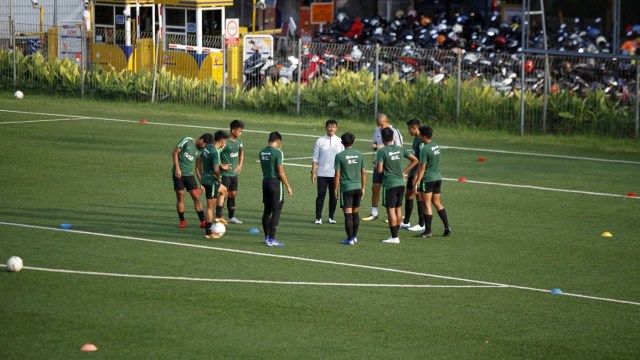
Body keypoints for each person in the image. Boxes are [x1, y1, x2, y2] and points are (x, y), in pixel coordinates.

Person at [376, 128, 418, 244]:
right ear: (393, 137)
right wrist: (404, 172)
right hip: (401, 183)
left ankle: (394, 237)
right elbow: (415, 160)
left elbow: (379, 170)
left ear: (383, 139)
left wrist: (377, 164)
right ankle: (395, 233)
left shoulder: (382, 151)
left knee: (391, 210)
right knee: (398, 208)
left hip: (389, 184)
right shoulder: (400, 149)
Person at [363, 113, 403, 221]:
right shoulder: (376, 131)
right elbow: (375, 144)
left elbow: (400, 147)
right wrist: (375, 147)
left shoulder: (394, 131)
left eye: (381, 124)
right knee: (375, 187)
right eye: (378, 125)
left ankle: (393, 214)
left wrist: (384, 147)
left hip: (390, 164)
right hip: (379, 162)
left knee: (390, 189)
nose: (379, 127)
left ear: (387, 121)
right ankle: (374, 213)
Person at [413, 126, 452, 238]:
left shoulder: (425, 149)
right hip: (438, 178)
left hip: (428, 179)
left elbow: (422, 168)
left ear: (424, 137)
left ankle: (428, 231)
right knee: (437, 202)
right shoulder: (435, 145)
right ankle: (447, 227)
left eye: (420, 135)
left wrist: (417, 182)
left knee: (427, 204)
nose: (419, 136)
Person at [259, 131, 293, 247]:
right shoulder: (278, 153)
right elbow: (281, 172)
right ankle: (272, 240)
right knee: (276, 211)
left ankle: (267, 237)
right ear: (278, 141)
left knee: (267, 211)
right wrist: (288, 186)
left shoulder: (262, 152)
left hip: (265, 182)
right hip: (275, 183)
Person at [172, 133, 213, 228]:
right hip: (178, 174)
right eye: (205, 145)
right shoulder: (187, 140)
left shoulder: (202, 150)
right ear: (202, 140)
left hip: (189, 175)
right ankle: (182, 220)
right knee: (180, 196)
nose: (205, 147)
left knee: (196, 198)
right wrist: (177, 168)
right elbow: (175, 152)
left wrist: (202, 182)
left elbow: (198, 166)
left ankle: (203, 221)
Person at [334, 132, 366, 245]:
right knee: (355, 213)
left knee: (347, 213)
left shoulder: (339, 156)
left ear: (342, 142)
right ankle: (355, 237)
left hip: (346, 188)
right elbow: (363, 172)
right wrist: (363, 187)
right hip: (357, 187)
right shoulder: (360, 154)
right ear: (354, 141)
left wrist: (335, 189)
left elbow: (337, 174)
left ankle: (349, 239)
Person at [198, 130, 230, 238]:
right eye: (225, 141)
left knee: (224, 190)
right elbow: (216, 169)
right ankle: (208, 232)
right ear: (222, 141)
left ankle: (218, 216)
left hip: (205, 178)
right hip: (211, 182)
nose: (225, 143)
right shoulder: (215, 152)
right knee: (210, 207)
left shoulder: (207, 147)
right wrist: (218, 177)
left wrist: (201, 176)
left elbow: (198, 160)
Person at [312, 119, 344, 225]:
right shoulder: (320, 141)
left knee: (334, 195)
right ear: (326, 128)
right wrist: (313, 171)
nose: (331, 129)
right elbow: (315, 158)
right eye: (329, 126)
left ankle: (331, 217)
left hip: (336, 174)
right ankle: (318, 218)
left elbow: (343, 157)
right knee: (321, 195)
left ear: (336, 128)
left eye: (333, 127)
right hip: (322, 173)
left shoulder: (340, 141)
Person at [401, 118, 426, 232]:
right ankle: (406, 222)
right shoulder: (416, 139)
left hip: (419, 173)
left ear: (414, 128)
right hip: (414, 172)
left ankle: (422, 224)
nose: (408, 131)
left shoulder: (421, 141)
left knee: (418, 195)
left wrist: (415, 175)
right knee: (408, 195)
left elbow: (421, 161)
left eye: (408, 129)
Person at [220, 119, 245, 224]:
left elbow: (242, 151)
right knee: (223, 195)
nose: (241, 133)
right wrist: (221, 165)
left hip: (234, 174)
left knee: (233, 194)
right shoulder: (225, 142)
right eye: (239, 131)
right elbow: (216, 152)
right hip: (225, 174)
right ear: (233, 130)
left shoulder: (238, 141)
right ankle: (219, 216)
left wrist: (240, 164)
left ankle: (231, 217)